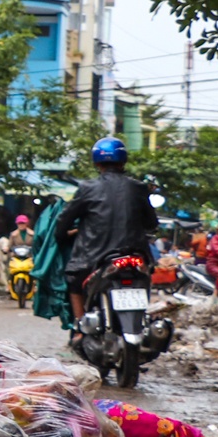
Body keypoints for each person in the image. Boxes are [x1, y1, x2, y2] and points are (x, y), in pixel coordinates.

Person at [54, 136, 157, 324]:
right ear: (123, 161)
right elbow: (152, 223)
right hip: (136, 255)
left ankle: (79, 328)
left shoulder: (87, 188)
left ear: (96, 162)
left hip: (93, 257)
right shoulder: (139, 188)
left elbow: (64, 221)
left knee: (74, 284)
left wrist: (62, 235)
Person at [0, 213, 36, 285]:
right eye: (19, 223)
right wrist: (6, 249)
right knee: (10, 270)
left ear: (26, 224)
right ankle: (9, 285)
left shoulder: (33, 234)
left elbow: (36, 244)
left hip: (29, 256)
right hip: (16, 257)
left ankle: (34, 285)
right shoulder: (13, 235)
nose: (21, 225)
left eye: (23, 223)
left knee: (33, 269)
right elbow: (9, 245)